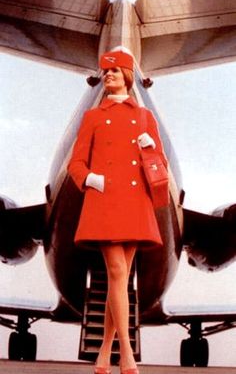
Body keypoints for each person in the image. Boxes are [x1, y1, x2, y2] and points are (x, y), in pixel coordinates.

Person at [68, 50, 167, 374]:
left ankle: (104, 353)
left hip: (136, 202)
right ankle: (127, 353)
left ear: (126, 75)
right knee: (116, 273)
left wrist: (149, 147)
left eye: (114, 71)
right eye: (105, 72)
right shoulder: (93, 117)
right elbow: (76, 163)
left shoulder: (145, 118)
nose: (107, 76)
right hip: (106, 200)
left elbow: (160, 165)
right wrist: (89, 179)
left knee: (119, 282)